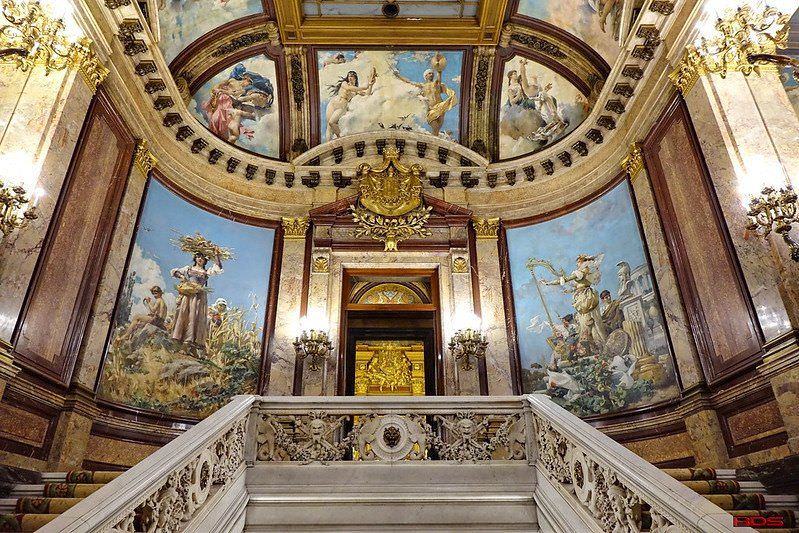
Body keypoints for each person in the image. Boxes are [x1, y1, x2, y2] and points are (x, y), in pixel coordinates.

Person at [542, 254, 608, 348]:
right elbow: (577, 286)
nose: (577, 264)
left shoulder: (581, 272)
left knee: (588, 321)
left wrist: (548, 283)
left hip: (585, 297)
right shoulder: (585, 272)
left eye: (578, 262)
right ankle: (594, 344)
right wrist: (569, 290)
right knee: (588, 321)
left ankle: (598, 343)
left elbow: (566, 280)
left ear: (582, 262)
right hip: (583, 296)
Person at [171, 252, 224, 354]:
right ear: (195, 258)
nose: (200, 259)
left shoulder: (206, 271)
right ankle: (179, 341)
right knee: (184, 314)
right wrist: (182, 277)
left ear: (205, 260)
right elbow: (175, 272)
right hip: (188, 294)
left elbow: (218, 268)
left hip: (199, 296)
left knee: (195, 317)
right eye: (198, 257)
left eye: (202, 257)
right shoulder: (189, 269)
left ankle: (188, 343)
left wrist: (216, 255)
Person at [393, 55, 457, 138]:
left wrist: (439, 67)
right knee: (435, 127)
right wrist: (398, 76)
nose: (431, 74)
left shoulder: (436, 84)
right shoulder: (422, 86)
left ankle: (435, 140)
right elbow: (409, 81)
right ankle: (434, 140)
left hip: (440, 106)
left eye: (432, 73)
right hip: (430, 109)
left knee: (438, 127)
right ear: (425, 76)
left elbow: (439, 76)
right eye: (429, 73)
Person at [325, 69, 377, 141]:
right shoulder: (344, 83)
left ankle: (340, 138)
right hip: (332, 104)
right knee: (329, 127)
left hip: (341, 106)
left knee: (332, 122)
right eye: (349, 76)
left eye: (352, 76)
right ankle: (328, 143)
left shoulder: (356, 90)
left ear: (355, 78)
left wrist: (370, 85)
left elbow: (367, 94)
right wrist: (365, 87)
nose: (350, 78)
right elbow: (348, 88)